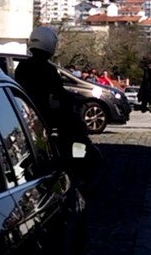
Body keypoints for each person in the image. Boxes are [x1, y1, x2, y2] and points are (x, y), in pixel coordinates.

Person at [14, 26, 94, 164]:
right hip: (45, 116)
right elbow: (59, 92)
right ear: (50, 44)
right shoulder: (48, 69)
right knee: (76, 131)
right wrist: (75, 99)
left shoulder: (22, 67)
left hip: (27, 115)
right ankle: (77, 162)